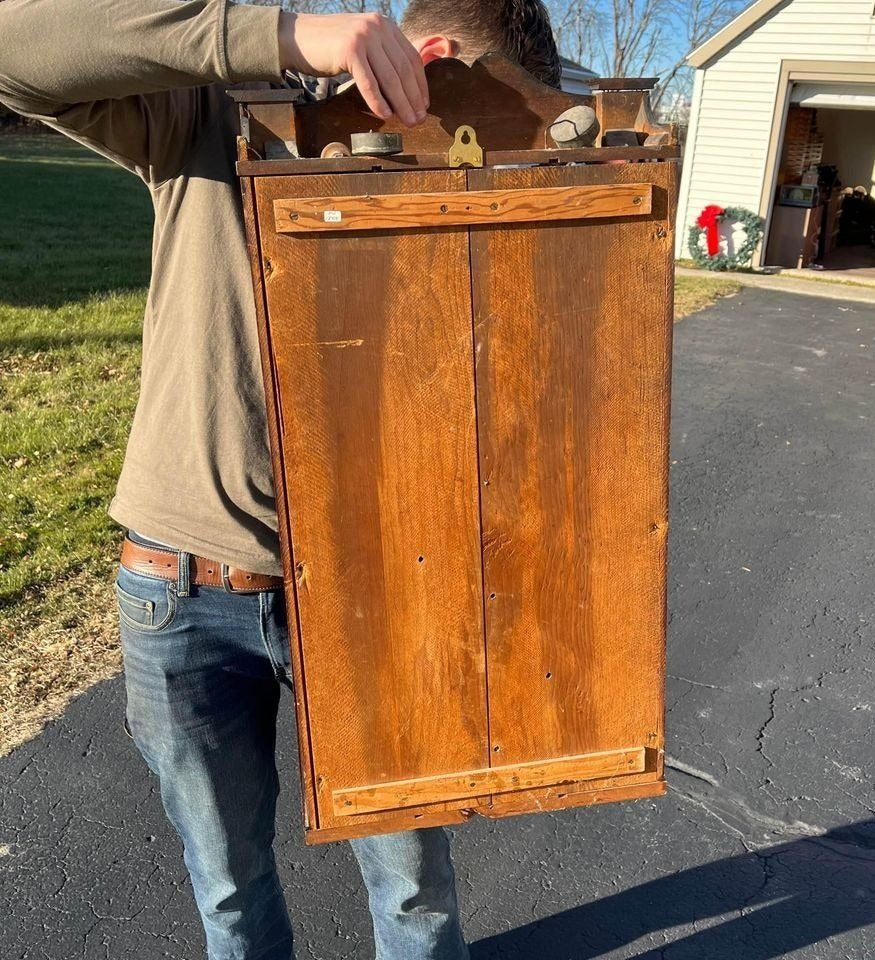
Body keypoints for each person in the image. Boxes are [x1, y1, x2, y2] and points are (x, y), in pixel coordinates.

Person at [0, 1, 562, 958]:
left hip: (382, 588)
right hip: (183, 590)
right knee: (228, 889)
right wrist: (286, 35)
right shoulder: (211, 122)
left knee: (415, 889)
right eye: (484, 113)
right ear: (421, 63)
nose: (492, 153)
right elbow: (14, 49)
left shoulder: (477, 193)